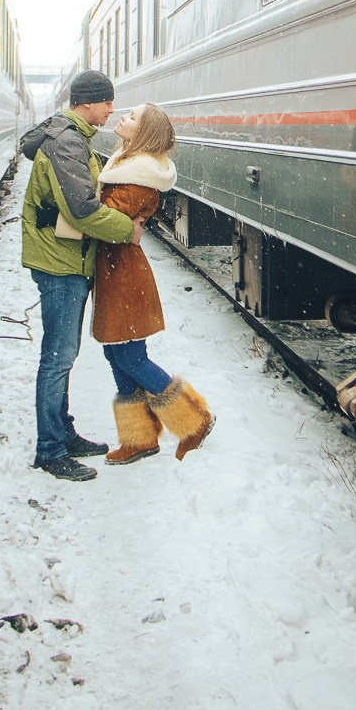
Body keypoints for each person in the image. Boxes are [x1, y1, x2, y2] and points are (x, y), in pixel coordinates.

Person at [16, 69, 139, 480]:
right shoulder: (67, 142)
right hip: (59, 263)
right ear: (87, 102)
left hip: (66, 259)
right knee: (58, 357)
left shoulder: (71, 136)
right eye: (107, 102)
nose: (111, 110)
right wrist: (127, 230)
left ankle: (62, 433)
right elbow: (82, 208)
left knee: (62, 355)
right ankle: (50, 450)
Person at [87, 104, 213, 462]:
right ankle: (139, 438)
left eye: (132, 117)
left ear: (143, 132)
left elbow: (103, 217)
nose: (122, 118)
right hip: (117, 270)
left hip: (125, 275)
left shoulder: (138, 176)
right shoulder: (130, 166)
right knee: (117, 352)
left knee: (131, 356)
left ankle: (194, 420)